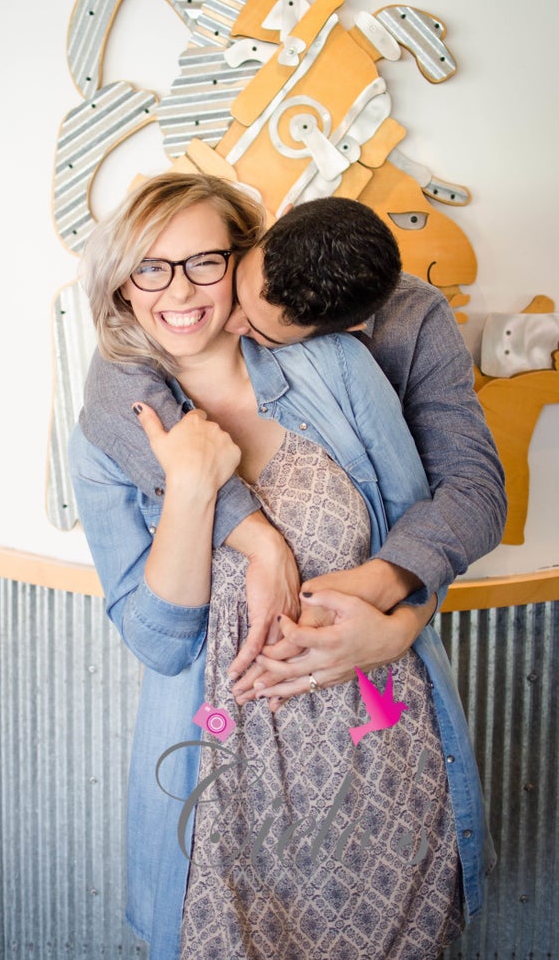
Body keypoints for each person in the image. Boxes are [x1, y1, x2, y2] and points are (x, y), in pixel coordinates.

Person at [69, 173, 494, 960]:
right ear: (122, 285)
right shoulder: (111, 424)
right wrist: (200, 495)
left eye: (205, 261)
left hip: (381, 770)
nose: (182, 289)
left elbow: (430, 515)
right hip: (222, 794)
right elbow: (160, 644)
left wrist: (396, 617)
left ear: (246, 252)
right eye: (149, 267)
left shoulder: (341, 360)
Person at [78, 190, 507, 696]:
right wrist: (255, 535)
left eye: (258, 328)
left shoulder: (370, 347)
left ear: (339, 332)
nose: (227, 318)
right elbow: (114, 374)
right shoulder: (131, 382)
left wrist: (399, 614)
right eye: (150, 269)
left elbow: (467, 491)